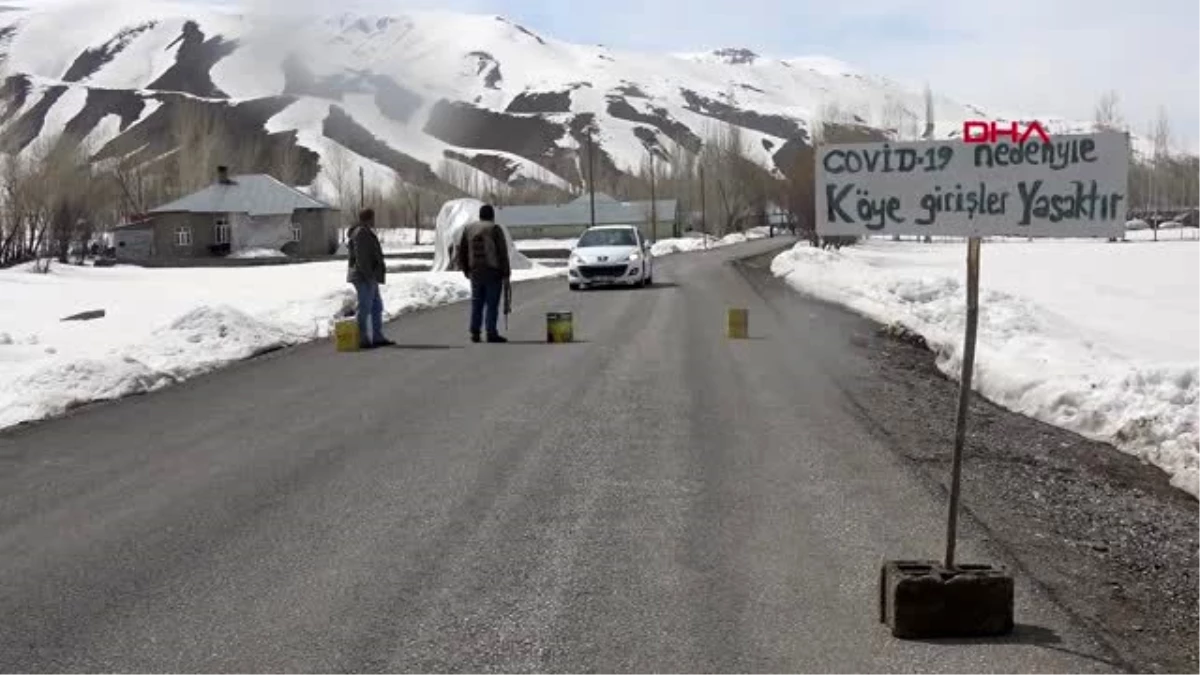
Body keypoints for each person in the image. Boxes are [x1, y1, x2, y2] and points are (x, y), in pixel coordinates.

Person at [456, 204, 511, 343]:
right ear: (492, 215)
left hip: (475, 271)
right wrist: (506, 274)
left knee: (477, 302)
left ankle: (475, 332)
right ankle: (491, 332)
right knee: (492, 304)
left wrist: (466, 270)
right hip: (493, 272)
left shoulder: (468, 229)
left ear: (480, 215)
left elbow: (461, 251)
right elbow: (502, 253)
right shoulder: (495, 229)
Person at [346, 208, 394, 349]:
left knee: (376, 306)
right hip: (363, 276)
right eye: (373, 218)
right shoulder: (361, 233)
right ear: (368, 218)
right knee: (365, 306)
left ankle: (377, 336)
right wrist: (368, 276)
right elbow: (362, 258)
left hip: (369, 275)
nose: (374, 221)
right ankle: (362, 338)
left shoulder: (365, 231)